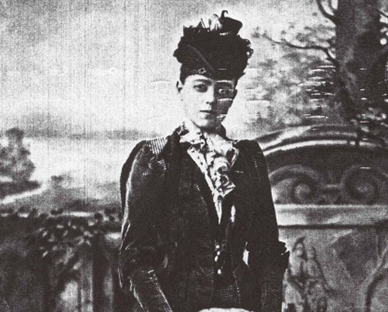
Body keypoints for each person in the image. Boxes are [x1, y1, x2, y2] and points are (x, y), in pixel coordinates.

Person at [118, 11, 288, 312]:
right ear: (180, 89)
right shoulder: (155, 159)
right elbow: (136, 260)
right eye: (200, 87)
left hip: (242, 306)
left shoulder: (247, 158)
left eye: (223, 90)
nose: (211, 100)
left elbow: (267, 251)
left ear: (233, 95)